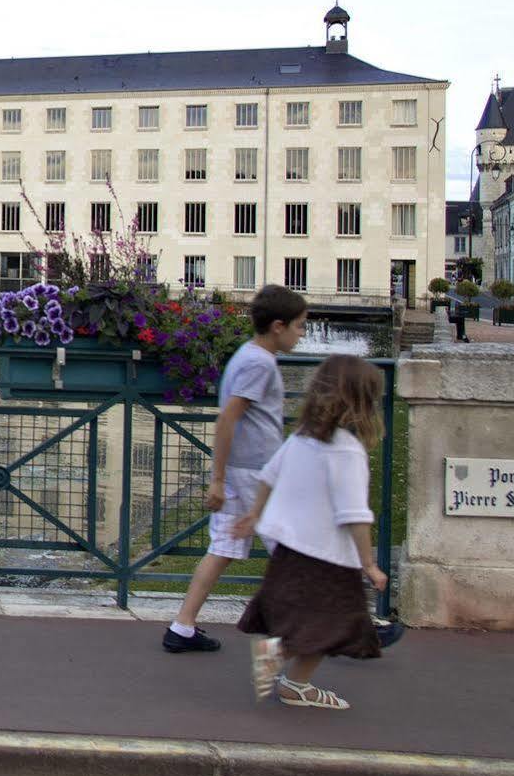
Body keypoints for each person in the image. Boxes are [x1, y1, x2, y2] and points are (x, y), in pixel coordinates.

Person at [160, 284, 309, 654]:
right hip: (255, 475)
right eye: (300, 326)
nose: (302, 334)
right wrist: (219, 478)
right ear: (278, 326)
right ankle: (321, 626)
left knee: (224, 547)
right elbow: (228, 418)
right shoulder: (259, 363)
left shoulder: (248, 355)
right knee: (293, 551)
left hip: (247, 472)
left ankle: (182, 627)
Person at [233, 354, 388, 709]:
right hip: (328, 555)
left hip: (289, 547)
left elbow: (268, 475)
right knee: (336, 622)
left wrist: (255, 515)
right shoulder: (347, 452)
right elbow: (354, 514)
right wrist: (369, 563)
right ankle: (285, 668)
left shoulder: (301, 438)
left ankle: (290, 675)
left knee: (308, 618)